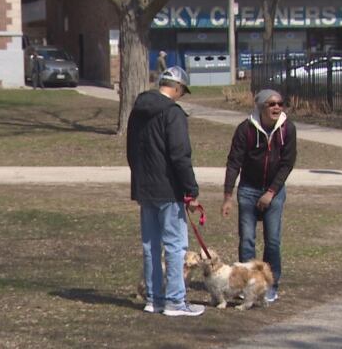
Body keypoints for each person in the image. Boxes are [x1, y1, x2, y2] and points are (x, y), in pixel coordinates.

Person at [126, 66, 205, 317]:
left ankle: (153, 298)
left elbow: (131, 151)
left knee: (151, 246)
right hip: (169, 189)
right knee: (175, 245)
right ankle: (174, 300)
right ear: (178, 88)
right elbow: (180, 155)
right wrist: (191, 190)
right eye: (182, 91)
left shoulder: (137, 111)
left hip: (145, 187)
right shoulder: (173, 113)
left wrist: (139, 178)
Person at [221, 89, 297, 303]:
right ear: (260, 106)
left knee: (272, 241)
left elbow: (287, 164)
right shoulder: (245, 129)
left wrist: (271, 192)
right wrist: (228, 195)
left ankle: (270, 285)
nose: (276, 108)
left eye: (280, 104)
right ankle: (247, 285)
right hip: (248, 189)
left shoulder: (287, 129)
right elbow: (234, 162)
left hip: (274, 191)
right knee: (247, 240)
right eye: (271, 104)